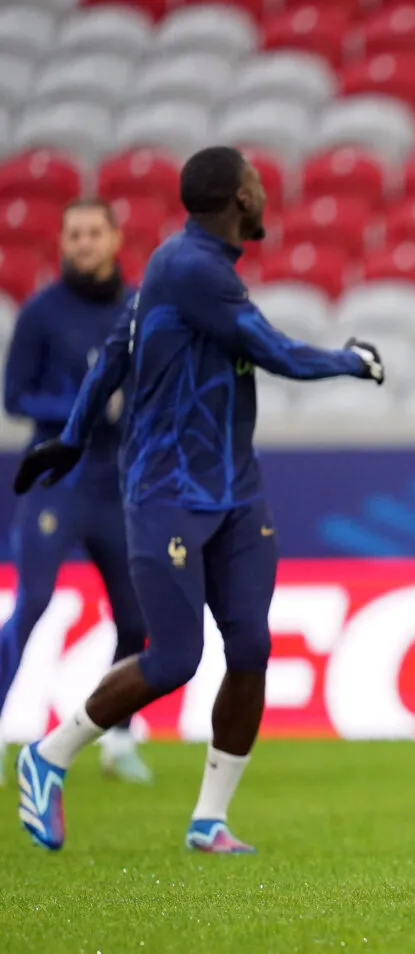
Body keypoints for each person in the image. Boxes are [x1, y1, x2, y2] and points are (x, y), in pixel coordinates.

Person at [12, 145, 385, 853]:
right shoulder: (191, 269)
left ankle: (209, 820)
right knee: (176, 657)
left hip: (235, 490)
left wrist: (70, 434)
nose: (261, 191)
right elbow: (272, 350)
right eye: (252, 183)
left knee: (250, 645)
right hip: (167, 489)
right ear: (235, 199)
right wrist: (351, 360)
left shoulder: (178, 270)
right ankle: (50, 753)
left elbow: (115, 355)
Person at [0, 199, 154, 786]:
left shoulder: (140, 307)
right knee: (32, 605)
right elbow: (16, 398)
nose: (84, 243)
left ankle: (119, 738)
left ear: (116, 239)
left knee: (136, 618)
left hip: (117, 487)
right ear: (62, 243)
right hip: (57, 483)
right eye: (74, 234)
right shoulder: (41, 312)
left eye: (95, 233)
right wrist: (84, 410)